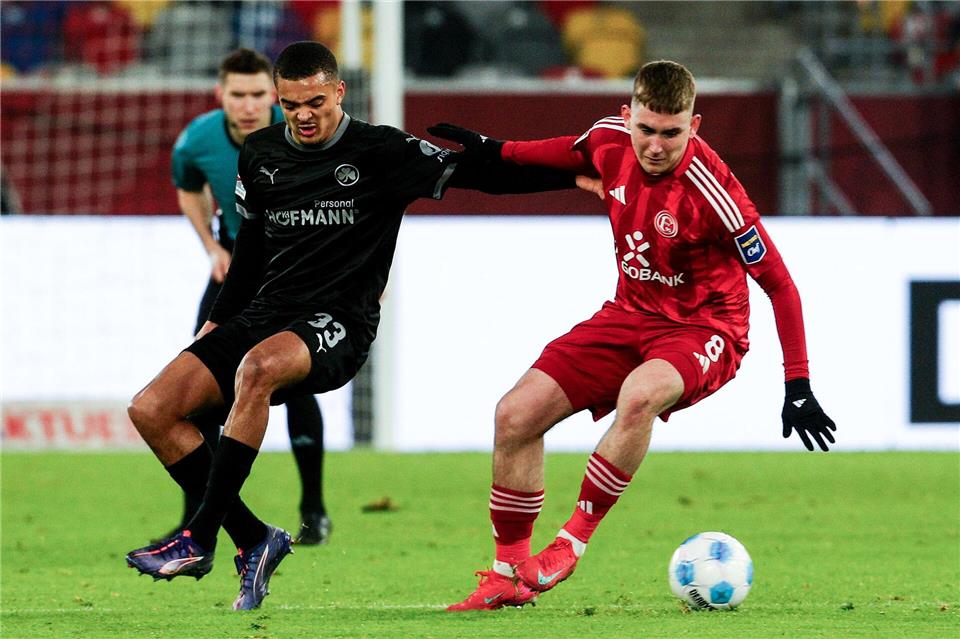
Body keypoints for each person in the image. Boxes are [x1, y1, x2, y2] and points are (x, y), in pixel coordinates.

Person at [123, 41, 578, 611]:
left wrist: (573, 173)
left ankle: (198, 535)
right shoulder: (261, 153)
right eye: (291, 106)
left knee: (257, 368)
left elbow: (480, 175)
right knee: (151, 409)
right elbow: (252, 251)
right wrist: (216, 322)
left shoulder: (380, 149)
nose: (304, 115)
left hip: (340, 321)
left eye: (315, 101)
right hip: (266, 311)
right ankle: (254, 539)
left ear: (339, 91)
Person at [430, 60, 837, 612]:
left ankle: (571, 541)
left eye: (671, 133)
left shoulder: (715, 192)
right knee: (514, 415)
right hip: (627, 315)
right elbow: (548, 154)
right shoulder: (607, 141)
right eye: (646, 129)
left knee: (639, 395)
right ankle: (506, 574)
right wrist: (492, 148)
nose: (655, 146)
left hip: (705, 328)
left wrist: (798, 384)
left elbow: (781, 286)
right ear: (628, 117)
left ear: (694, 127)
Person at [168, 48, 332, 547]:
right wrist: (211, 246)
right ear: (221, 96)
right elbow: (188, 186)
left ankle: (313, 508)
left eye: (259, 94)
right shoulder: (197, 140)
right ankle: (198, 515)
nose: (249, 105)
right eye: (238, 95)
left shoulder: (301, 137)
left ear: (275, 96)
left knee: (294, 383)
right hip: (235, 262)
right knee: (196, 384)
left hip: (292, 264)